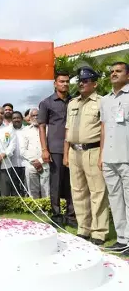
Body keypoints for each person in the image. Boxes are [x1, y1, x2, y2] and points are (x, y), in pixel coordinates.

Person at [64, 66, 109, 245]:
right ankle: (84, 228)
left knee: (97, 192)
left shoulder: (101, 102)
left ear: (95, 84)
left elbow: (105, 130)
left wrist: (102, 155)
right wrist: (66, 153)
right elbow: (67, 129)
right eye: (80, 81)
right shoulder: (72, 103)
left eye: (86, 81)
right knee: (78, 191)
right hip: (74, 151)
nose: (81, 83)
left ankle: (99, 232)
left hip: (93, 150)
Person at [38, 71, 76, 228]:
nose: (65, 84)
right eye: (61, 81)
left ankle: (71, 216)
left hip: (74, 148)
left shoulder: (74, 101)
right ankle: (56, 215)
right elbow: (41, 127)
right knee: (55, 183)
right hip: (55, 148)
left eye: (67, 81)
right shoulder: (46, 103)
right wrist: (44, 149)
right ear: (55, 83)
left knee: (72, 183)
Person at [100, 61, 129, 256]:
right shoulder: (105, 100)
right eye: (111, 71)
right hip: (109, 157)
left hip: (126, 156)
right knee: (115, 199)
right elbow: (103, 128)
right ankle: (122, 239)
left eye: (118, 71)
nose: (113, 74)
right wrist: (101, 155)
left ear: (127, 75)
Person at [20, 108, 50, 199]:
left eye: (38, 115)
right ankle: (35, 211)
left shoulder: (48, 129)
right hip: (31, 165)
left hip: (45, 164)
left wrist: (40, 161)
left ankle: (46, 210)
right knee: (33, 191)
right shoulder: (25, 130)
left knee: (46, 190)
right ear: (30, 117)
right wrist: (35, 161)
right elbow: (23, 150)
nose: (36, 117)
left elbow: (51, 147)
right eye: (33, 115)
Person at [0, 107, 17, 196]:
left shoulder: (9, 129)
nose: (0, 115)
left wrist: (3, 155)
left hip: (5, 165)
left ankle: (3, 209)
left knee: (5, 191)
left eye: (1, 113)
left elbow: (12, 145)